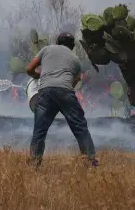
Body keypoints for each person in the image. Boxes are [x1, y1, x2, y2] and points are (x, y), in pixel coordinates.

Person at [26, 32, 98, 167]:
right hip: (65, 92)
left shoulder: (46, 50)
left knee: (39, 130)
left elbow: (29, 68)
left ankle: (34, 163)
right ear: (72, 46)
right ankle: (90, 161)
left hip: (45, 92)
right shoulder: (76, 60)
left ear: (57, 41)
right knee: (80, 128)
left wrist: (38, 77)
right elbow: (74, 82)